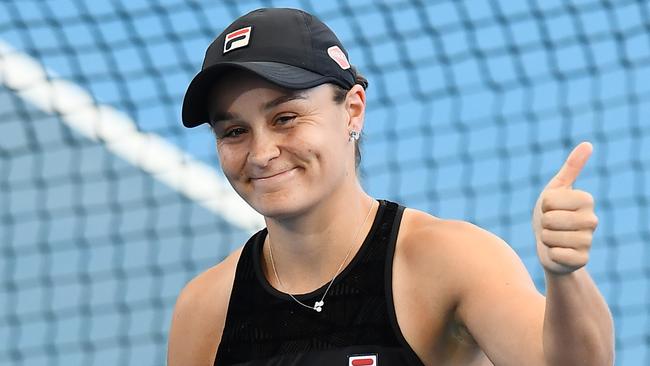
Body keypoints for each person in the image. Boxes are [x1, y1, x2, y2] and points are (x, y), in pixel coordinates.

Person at [167, 7, 614, 366]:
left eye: (285, 118)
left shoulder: (446, 261)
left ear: (353, 110)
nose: (261, 153)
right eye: (233, 132)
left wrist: (565, 276)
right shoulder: (207, 308)